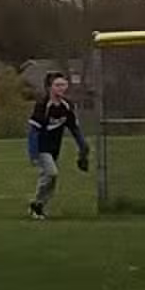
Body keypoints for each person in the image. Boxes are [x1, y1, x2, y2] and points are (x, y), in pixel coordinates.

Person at [26, 72, 89, 220]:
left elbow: (74, 129)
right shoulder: (43, 105)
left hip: (54, 148)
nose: (61, 88)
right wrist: (33, 153)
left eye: (64, 84)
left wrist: (83, 148)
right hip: (42, 147)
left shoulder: (66, 106)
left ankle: (38, 205)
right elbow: (33, 131)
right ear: (49, 87)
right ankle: (37, 206)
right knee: (52, 173)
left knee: (51, 179)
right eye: (57, 85)